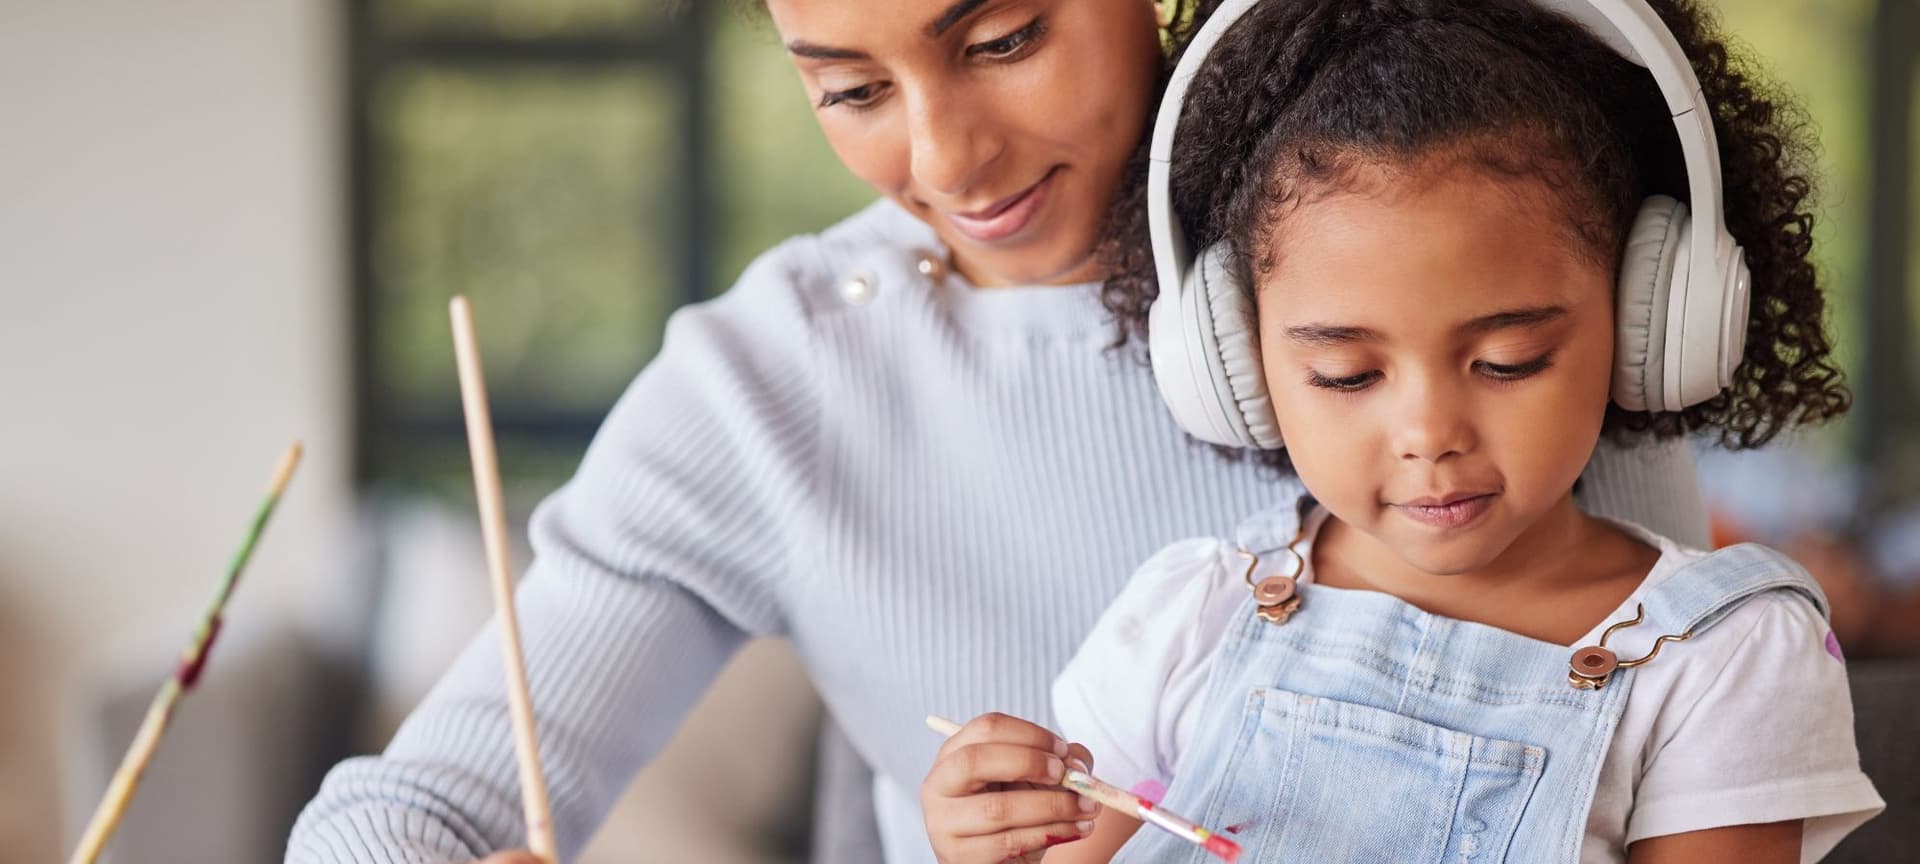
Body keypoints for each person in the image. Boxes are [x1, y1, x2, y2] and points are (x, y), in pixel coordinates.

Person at [285, 1, 1712, 861]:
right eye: (850, 88)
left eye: (1005, 37)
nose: (947, 157)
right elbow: (418, 803)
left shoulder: (1459, 266)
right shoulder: (766, 388)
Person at [922, 0, 1884, 861]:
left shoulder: (1723, 659)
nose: (1430, 433)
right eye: (1347, 374)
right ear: (1237, 366)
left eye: (1508, 361)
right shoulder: (1191, 618)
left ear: (1649, 322)